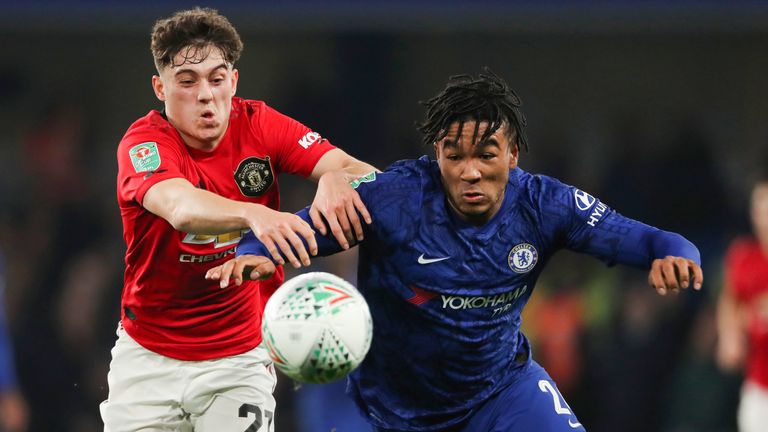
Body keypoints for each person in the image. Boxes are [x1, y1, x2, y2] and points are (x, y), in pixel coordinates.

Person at [209, 70, 704, 431]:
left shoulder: (547, 206)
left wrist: (678, 252)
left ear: (511, 154)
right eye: (454, 155)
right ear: (437, 155)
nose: (470, 171)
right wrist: (256, 248)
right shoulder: (394, 199)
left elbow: (645, 237)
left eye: (486, 155)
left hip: (501, 394)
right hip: (390, 412)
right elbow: (305, 228)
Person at [100, 7, 376, 432]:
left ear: (234, 81)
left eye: (216, 78)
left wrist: (338, 178)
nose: (205, 95)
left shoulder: (260, 125)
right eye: (187, 82)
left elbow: (364, 175)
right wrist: (255, 214)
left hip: (238, 360)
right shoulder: (145, 142)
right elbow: (180, 207)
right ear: (160, 87)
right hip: (148, 356)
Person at [716, 179, 768, 432]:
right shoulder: (744, 256)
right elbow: (729, 303)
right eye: (759, 210)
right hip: (759, 389)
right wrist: (730, 333)